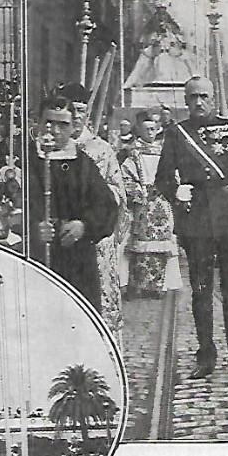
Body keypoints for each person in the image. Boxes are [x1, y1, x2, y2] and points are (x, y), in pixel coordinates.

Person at [155, 76, 228, 386]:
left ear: (214, 98)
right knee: (201, 293)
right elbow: (162, 177)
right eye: (192, 97)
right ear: (185, 101)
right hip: (197, 220)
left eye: (203, 96)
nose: (198, 102)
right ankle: (206, 357)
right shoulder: (177, 134)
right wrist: (176, 191)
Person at [28, 94, 118, 312]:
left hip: (76, 259)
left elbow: (106, 207)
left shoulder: (83, 164)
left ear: (72, 127)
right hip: (34, 257)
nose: (55, 131)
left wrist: (84, 225)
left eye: (63, 125)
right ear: (38, 123)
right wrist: (31, 227)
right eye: (49, 123)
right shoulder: (25, 159)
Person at [61, 83, 129, 338]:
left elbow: (118, 191)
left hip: (96, 236)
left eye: (82, 110)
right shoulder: (52, 149)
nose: (77, 116)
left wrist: (96, 200)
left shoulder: (101, 149)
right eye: (72, 110)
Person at [121, 112, 181, 298]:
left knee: (163, 243)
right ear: (139, 129)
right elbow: (125, 176)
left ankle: (159, 285)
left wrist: (170, 188)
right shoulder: (132, 153)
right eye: (147, 129)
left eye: (153, 129)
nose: (150, 133)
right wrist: (138, 192)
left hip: (162, 201)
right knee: (139, 243)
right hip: (142, 203)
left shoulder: (164, 151)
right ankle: (138, 283)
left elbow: (175, 174)